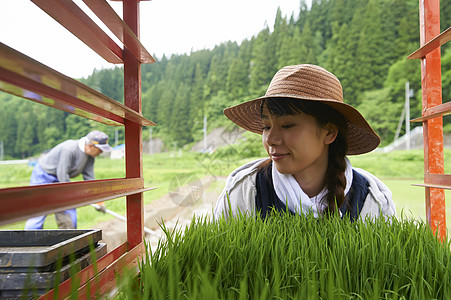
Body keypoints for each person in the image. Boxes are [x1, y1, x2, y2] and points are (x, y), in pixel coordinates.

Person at [214, 64, 396, 221]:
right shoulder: (245, 191)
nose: (270, 139)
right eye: (266, 127)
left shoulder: (370, 201)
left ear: (330, 132)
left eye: (287, 125)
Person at [24, 130, 112, 229]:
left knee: (69, 209)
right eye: (100, 150)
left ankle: (69, 239)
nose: (101, 152)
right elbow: (62, 173)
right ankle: (29, 242)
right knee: (39, 210)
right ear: (91, 146)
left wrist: (98, 200)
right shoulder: (69, 149)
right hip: (43, 176)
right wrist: (67, 195)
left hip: (60, 179)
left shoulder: (90, 157)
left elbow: (90, 180)